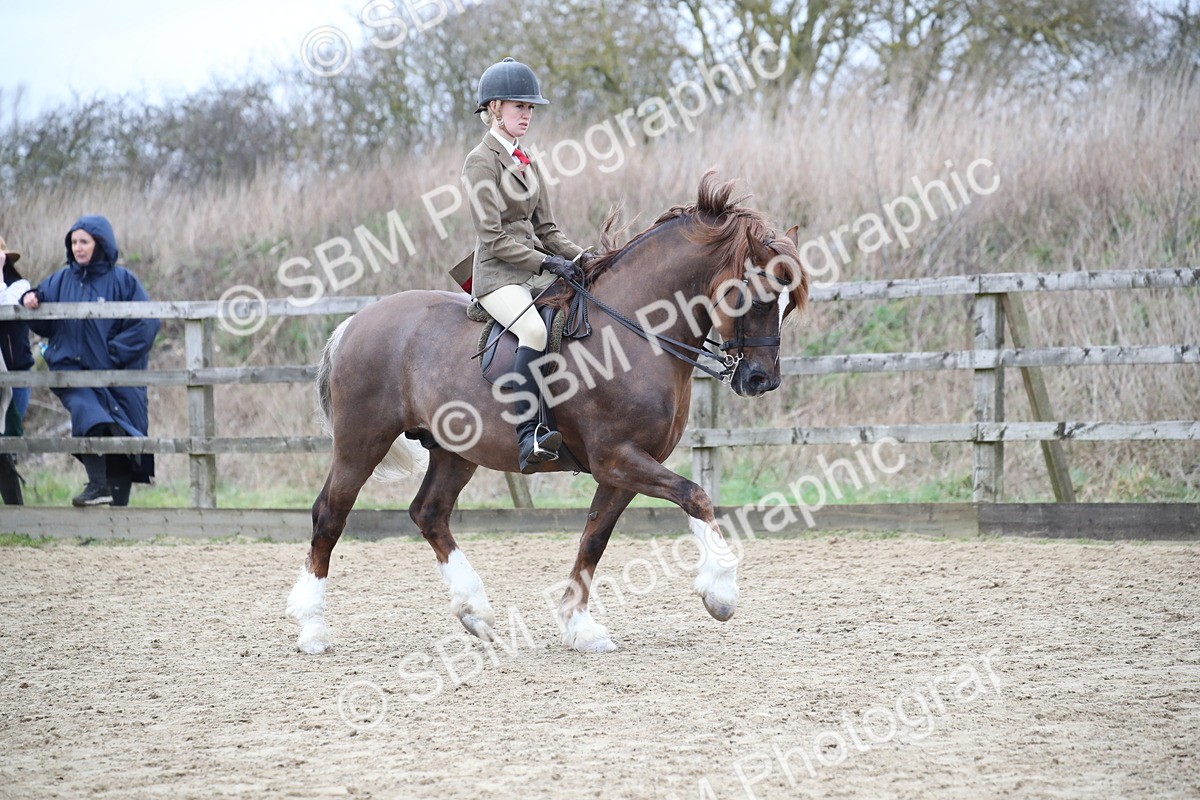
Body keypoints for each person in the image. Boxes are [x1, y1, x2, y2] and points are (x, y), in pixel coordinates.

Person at [460, 57, 586, 473]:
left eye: (531, 108)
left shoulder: (526, 159)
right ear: (495, 108)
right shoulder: (481, 161)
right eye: (520, 107)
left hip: (531, 268)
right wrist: (546, 262)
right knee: (532, 328)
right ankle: (528, 434)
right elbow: (492, 237)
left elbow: (547, 228)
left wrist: (584, 258)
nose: (527, 115)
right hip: (497, 276)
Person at [21, 216, 160, 507]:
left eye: (84, 241)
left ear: (100, 244)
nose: (78, 248)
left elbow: (146, 323)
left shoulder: (123, 281)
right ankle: (98, 484)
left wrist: (113, 353)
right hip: (71, 370)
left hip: (116, 374)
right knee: (88, 412)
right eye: (73, 242)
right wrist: (30, 298)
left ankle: (116, 519)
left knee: (121, 434)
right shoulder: (61, 279)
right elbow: (43, 319)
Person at [1, 235, 32, 504]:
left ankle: (15, 509)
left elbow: (5, 307)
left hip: (16, 372)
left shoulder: (20, 286)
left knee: (6, 440)